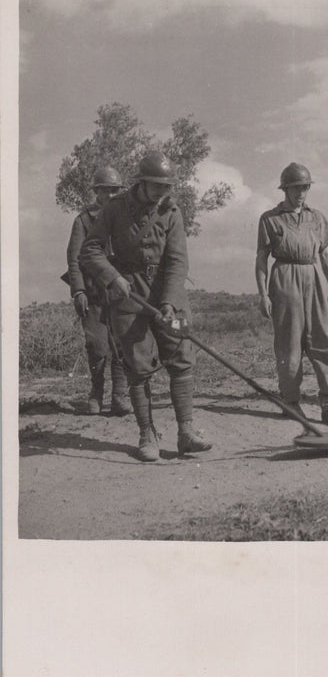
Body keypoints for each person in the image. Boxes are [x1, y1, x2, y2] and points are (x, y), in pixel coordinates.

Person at [80, 151, 211, 462]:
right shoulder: (114, 209)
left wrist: (169, 302)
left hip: (169, 294)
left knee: (181, 355)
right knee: (138, 367)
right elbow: (90, 251)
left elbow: (178, 260)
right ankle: (147, 434)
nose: (162, 194)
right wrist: (112, 277)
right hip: (128, 297)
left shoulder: (172, 212)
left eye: (167, 188)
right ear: (142, 183)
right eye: (157, 188)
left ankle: (186, 432)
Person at [255, 162, 328, 427]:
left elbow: (325, 253)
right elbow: (261, 259)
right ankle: (291, 401)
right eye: (295, 188)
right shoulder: (270, 219)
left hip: (314, 276)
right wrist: (263, 294)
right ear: (285, 189)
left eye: (305, 188)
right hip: (285, 278)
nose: (300, 193)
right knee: (289, 345)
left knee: (324, 341)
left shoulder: (317, 217)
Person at [66, 166, 132, 416]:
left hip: (121, 291)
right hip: (93, 292)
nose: (112, 195)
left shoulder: (126, 217)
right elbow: (74, 259)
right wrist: (78, 291)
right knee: (96, 345)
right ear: (98, 192)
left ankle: (119, 396)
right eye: (107, 191)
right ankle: (96, 393)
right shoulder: (83, 220)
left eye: (116, 190)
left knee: (122, 343)